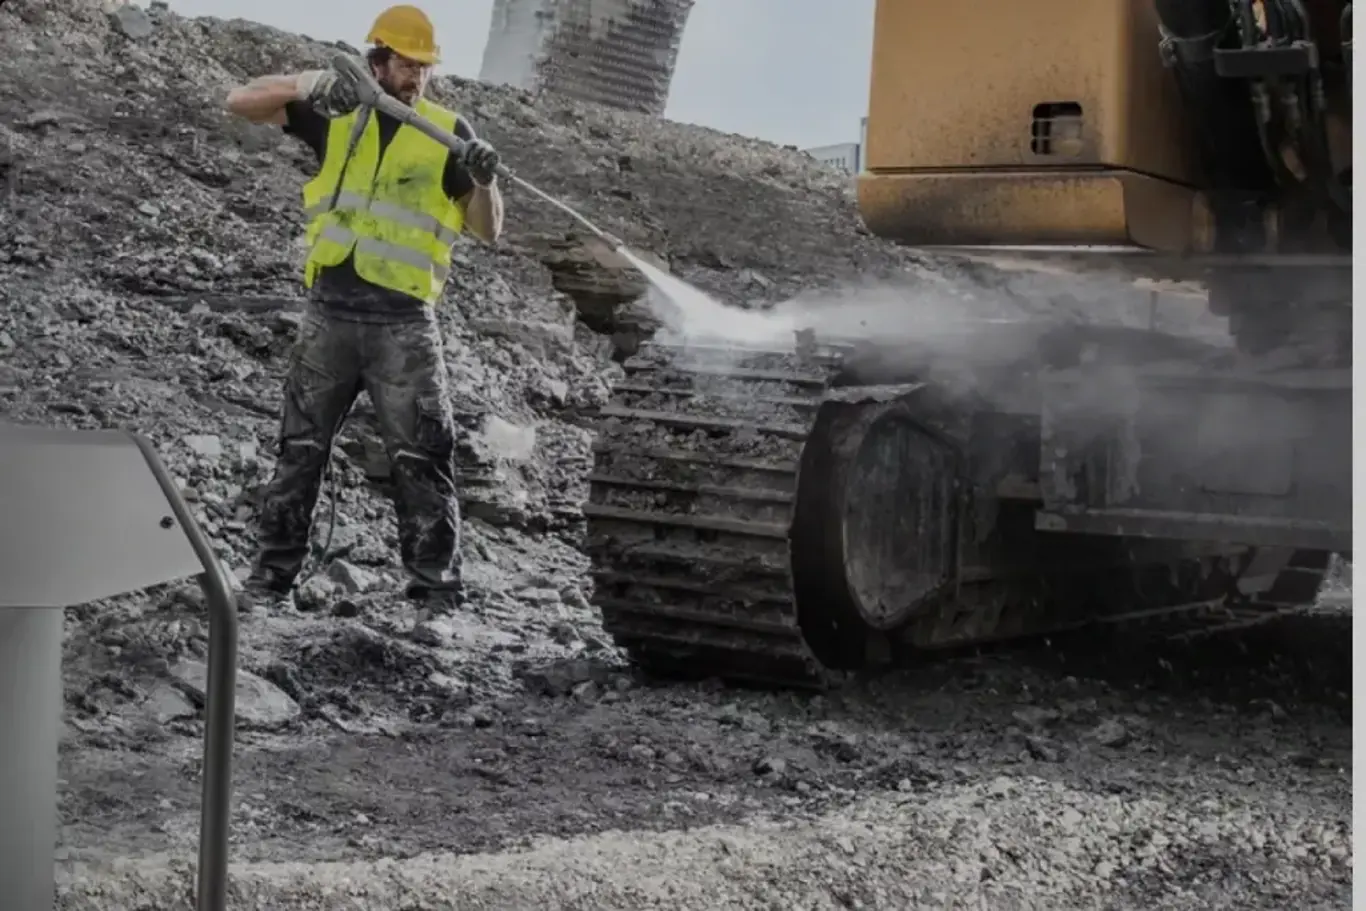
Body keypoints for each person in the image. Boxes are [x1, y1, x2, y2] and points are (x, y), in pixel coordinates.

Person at [223, 4, 503, 614]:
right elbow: (238, 100)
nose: (417, 77)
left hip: (403, 323)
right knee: (300, 450)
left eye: (424, 68)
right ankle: (270, 580)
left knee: (423, 455)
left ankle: (435, 591)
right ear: (376, 58)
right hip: (330, 313)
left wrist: (484, 179)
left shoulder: (447, 131)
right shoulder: (336, 113)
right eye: (406, 64)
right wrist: (308, 84)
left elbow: (488, 231)